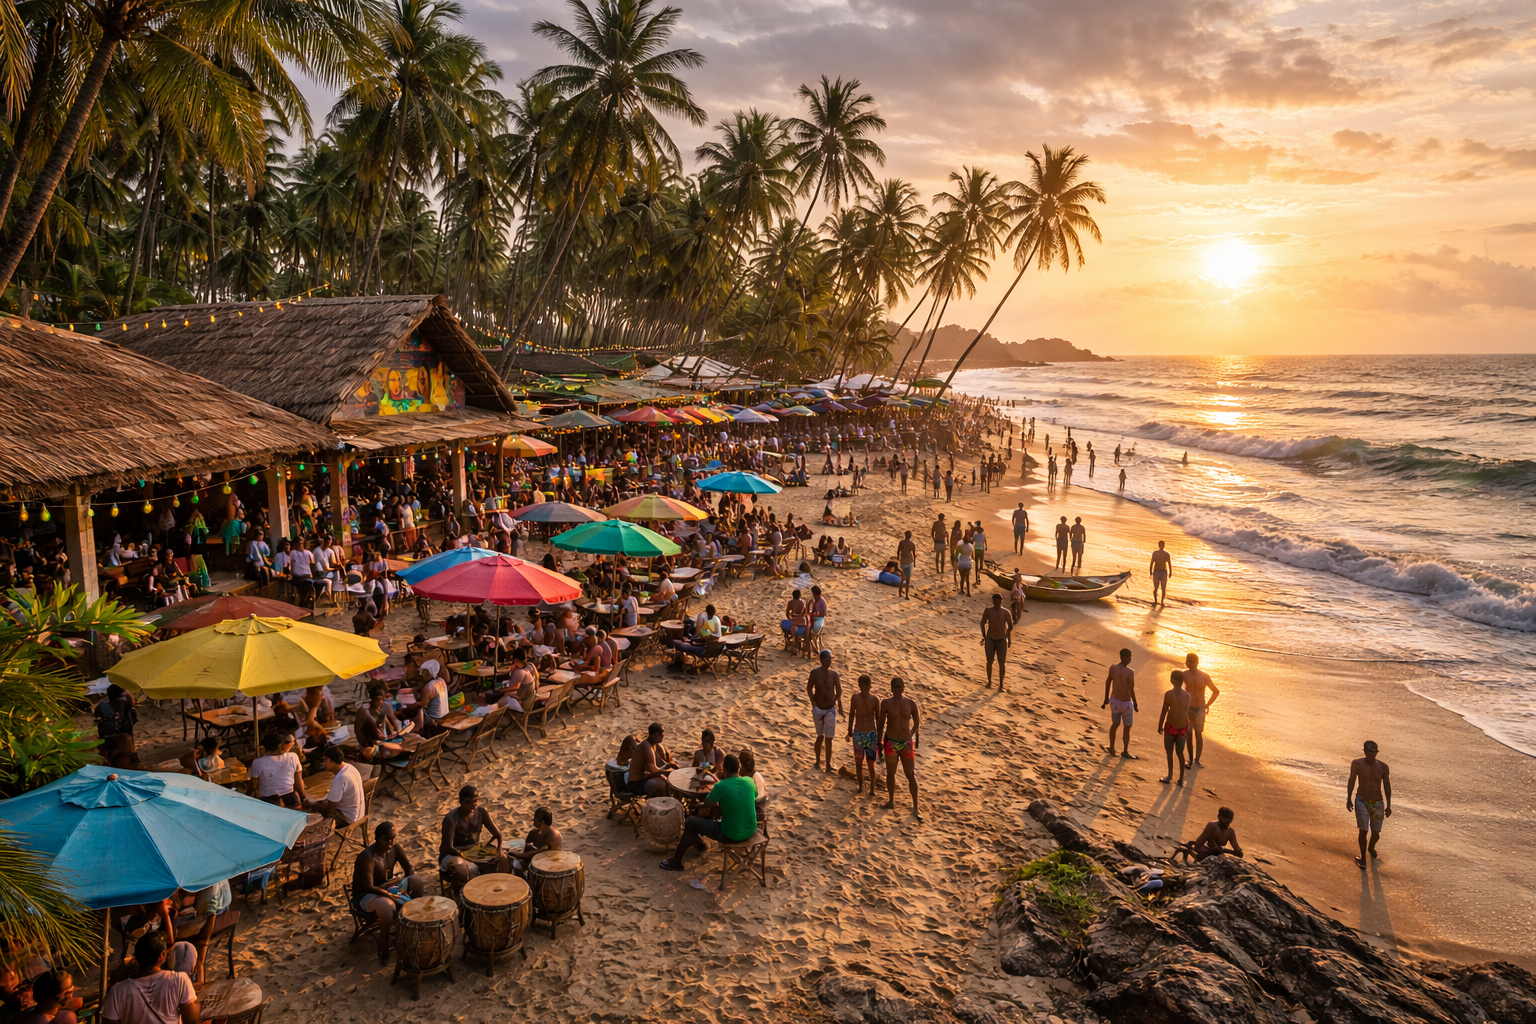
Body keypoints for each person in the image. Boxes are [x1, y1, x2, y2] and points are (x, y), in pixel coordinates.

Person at [659, 753, 758, 870]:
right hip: (751, 831)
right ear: (739, 769)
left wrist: (697, 804)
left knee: (691, 822)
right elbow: (752, 795)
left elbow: (707, 804)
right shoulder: (749, 782)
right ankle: (697, 841)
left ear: (724, 770)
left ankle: (676, 861)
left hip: (731, 835)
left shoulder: (721, 786)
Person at [352, 821, 425, 964]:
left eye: (393, 838)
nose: (391, 842)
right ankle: (384, 946)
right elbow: (368, 886)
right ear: (378, 839)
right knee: (388, 906)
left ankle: (412, 926)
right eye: (387, 839)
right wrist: (391, 895)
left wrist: (404, 886)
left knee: (417, 880)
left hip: (390, 888)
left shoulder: (395, 849)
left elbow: (408, 868)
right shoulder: (367, 857)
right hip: (366, 894)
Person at [102, 934, 198, 1024]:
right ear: (162, 956)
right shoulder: (179, 979)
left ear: (136, 957)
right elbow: (191, 1019)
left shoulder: (116, 991)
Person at [440, 785, 509, 886]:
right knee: (465, 868)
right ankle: (468, 895)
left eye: (475, 801)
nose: (473, 805)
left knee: (503, 859)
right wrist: (467, 856)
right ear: (460, 802)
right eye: (468, 802)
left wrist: (499, 851)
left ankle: (498, 888)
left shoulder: (481, 812)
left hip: (474, 849)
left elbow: (498, 835)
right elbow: (448, 847)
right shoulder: (451, 819)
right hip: (453, 854)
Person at [878, 677, 921, 820]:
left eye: (900, 687)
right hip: (891, 742)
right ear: (891, 688)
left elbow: (917, 721)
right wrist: (879, 740)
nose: (898, 689)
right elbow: (880, 723)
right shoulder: (886, 703)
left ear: (903, 688)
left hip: (906, 743)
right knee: (891, 773)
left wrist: (912, 735)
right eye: (895, 687)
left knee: (910, 774)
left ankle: (916, 807)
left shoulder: (910, 703)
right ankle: (891, 801)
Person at [1346, 740, 1392, 869]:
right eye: (1370, 751)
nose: (1372, 754)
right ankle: (1362, 858)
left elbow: (1387, 786)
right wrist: (1349, 798)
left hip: (1377, 803)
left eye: (1375, 752)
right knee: (1363, 830)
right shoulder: (1357, 764)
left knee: (1376, 832)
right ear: (1365, 751)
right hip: (1361, 801)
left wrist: (1388, 805)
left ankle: (1371, 848)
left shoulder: (1383, 767)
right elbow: (1352, 780)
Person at [304, 745, 365, 825]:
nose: (324, 763)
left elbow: (329, 810)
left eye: (325, 760)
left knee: (309, 821)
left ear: (331, 760)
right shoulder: (350, 767)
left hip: (348, 818)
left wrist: (312, 804)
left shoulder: (341, 778)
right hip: (359, 813)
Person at [1181, 653, 1219, 769]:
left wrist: (1207, 704)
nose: (1190, 663)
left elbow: (1215, 691)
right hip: (1188, 708)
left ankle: (1197, 759)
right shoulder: (1184, 675)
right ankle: (1190, 759)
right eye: (1188, 661)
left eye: (1192, 661)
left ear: (1197, 662)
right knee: (1188, 734)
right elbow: (1177, 687)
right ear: (1186, 662)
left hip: (1200, 708)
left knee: (1198, 733)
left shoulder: (1204, 676)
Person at [806, 650, 843, 773]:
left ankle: (828, 765)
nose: (828, 663)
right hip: (819, 709)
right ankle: (817, 761)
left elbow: (839, 691)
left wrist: (835, 701)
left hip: (830, 710)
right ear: (821, 660)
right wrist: (813, 703)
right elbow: (809, 688)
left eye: (830, 660)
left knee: (829, 738)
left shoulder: (834, 674)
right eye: (826, 660)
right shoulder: (815, 673)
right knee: (820, 736)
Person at [247, 733, 306, 807]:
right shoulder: (293, 757)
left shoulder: (258, 762)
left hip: (269, 802)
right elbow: (299, 781)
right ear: (280, 745)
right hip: (291, 799)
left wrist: (246, 798)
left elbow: (253, 786)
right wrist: (303, 798)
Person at [1156, 670, 1192, 786]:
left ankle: (1170, 775)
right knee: (1179, 752)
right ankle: (1180, 778)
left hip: (1171, 726)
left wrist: (1160, 725)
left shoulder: (1169, 694)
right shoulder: (1187, 695)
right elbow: (1187, 713)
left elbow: (1164, 710)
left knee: (1170, 752)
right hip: (1182, 727)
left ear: (1173, 680)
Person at [845, 674, 880, 796]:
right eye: (862, 686)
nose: (864, 688)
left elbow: (878, 718)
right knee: (858, 761)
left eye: (866, 686)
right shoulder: (855, 698)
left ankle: (871, 788)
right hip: (858, 732)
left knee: (871, 762)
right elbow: (851, 713)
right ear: (859, 686)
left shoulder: (875, 700)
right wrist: (849, 729)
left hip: (870, 733)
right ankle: (860, 786)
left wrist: (879, 735)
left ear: (870, 686)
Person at [1101, 648, 1138, 759]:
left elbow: (1108, 682)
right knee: (1126, 727)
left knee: (1115, 724)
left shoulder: (1113, 668)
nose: (1130, 659)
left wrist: (1106, 698)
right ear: (1123, 657)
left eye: (1131, 657)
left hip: (1115, 701)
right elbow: (1131, 689)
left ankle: (1113, 748)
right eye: (1128, 657)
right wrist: (1135, 703)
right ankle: (1124, 751)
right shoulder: (1130, 672)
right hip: (1126, 703)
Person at [627, 722, 677, 797]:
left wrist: (668, 765)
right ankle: (663, 804)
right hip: (636, 784)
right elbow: (654, 770)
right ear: (656, 735)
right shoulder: (646, 746)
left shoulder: (654, 745)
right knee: (661, 784)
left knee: (668, 780)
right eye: (662, 736)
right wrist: (669, 771)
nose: (662, 738)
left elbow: (658, 764)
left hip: (645, 777)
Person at [1176, 807, 1243, 862]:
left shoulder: (1230, 832)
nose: (1227, 823)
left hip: (1218, 855)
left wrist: (1238, 851)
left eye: (1229, 821)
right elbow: (1199, 844)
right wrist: (1203, 853)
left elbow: (1236, 848)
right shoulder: (1212, 826)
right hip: (1205, 852)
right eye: (1225, 821)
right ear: (1219, 817)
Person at [512, 807, 562, 874]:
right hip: (540, 858)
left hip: (550, 865)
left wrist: (517, 854)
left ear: (542, 822)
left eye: (535, 819)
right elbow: (527, 845)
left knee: (516, 865)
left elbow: (538, 853)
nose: (533, 820)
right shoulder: (534, 833)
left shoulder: (552, 836)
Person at [980, 593, 1013, 691]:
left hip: (1001, 639)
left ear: (1001, 600)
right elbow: (982, 623)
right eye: (995, 599)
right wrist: (984, 636)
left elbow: (1010, 626)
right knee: (989, 661)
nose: (997, 601)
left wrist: (1007, 636)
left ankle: (1001, 684)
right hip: (990, 638)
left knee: (1001, 662)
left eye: (999, 599)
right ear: (993, 600)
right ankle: (989, 682)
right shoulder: (988, 611)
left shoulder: (1005, 612)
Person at [896, 530, 916, 599]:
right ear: (910, 536)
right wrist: (915, 563)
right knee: (908, 580)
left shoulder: (901, 543)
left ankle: (900, 593)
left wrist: (898, 559)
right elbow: (914, 554)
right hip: (910, 562)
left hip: (903, 561)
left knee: (902, 579)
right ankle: (907, 595)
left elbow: (898, 551)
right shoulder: (912, 544)